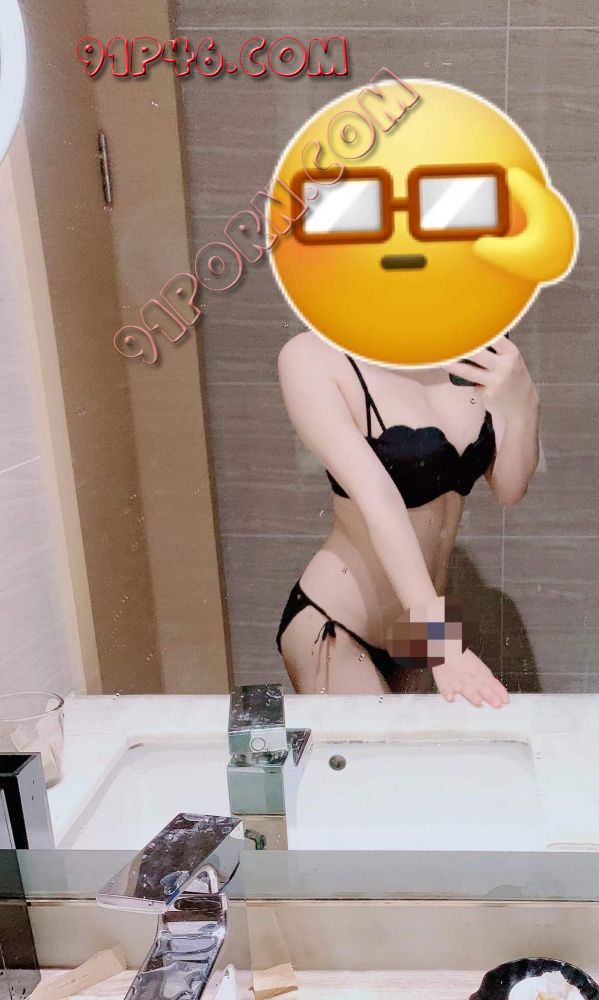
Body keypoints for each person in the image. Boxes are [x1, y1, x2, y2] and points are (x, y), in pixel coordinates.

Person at [276, 331, 540, 706]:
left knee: (420, 747)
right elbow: (379, 502)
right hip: (341, 622)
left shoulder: (474, 350)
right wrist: (442, 645)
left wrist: (524, 400)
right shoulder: (311, 356)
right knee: (383, 748)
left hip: (419, 626)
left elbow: (510, 490)